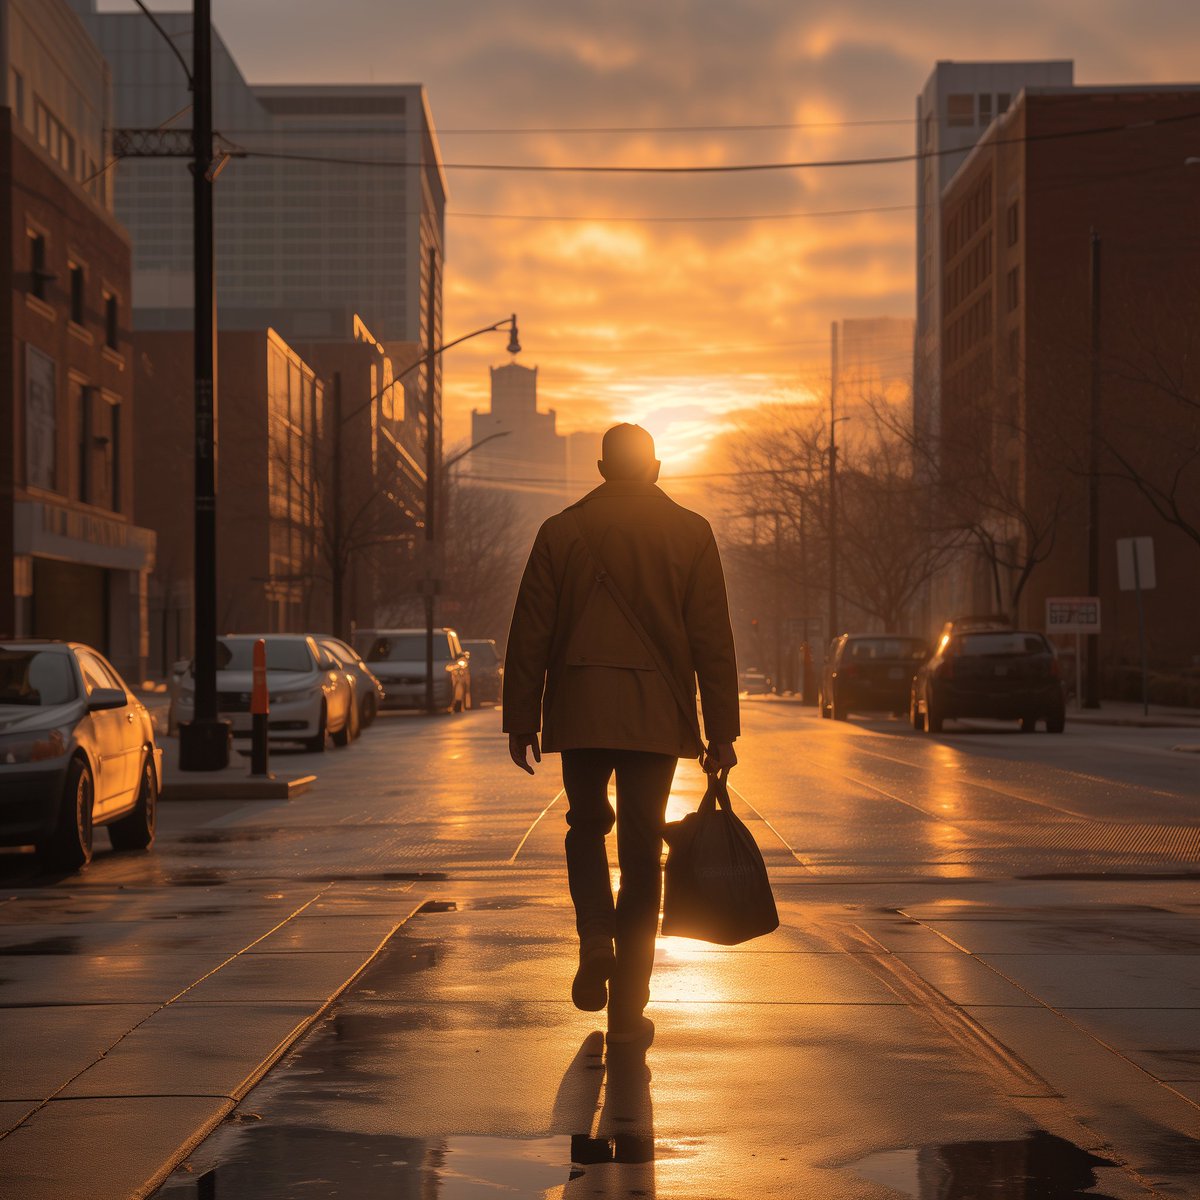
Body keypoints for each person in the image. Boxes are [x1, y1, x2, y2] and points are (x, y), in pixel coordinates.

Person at [503, 423, 739, 1047]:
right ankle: (629, 1008)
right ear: (655, 467)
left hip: (580, 709)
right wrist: (722, 731)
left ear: (602, 467)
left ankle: (593, 937)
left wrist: (521, 717)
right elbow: (713, 641)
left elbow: (530, 629)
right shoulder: (692, 532)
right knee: (641, 854)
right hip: (655, 716)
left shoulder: (559, 532)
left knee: (585, 827)